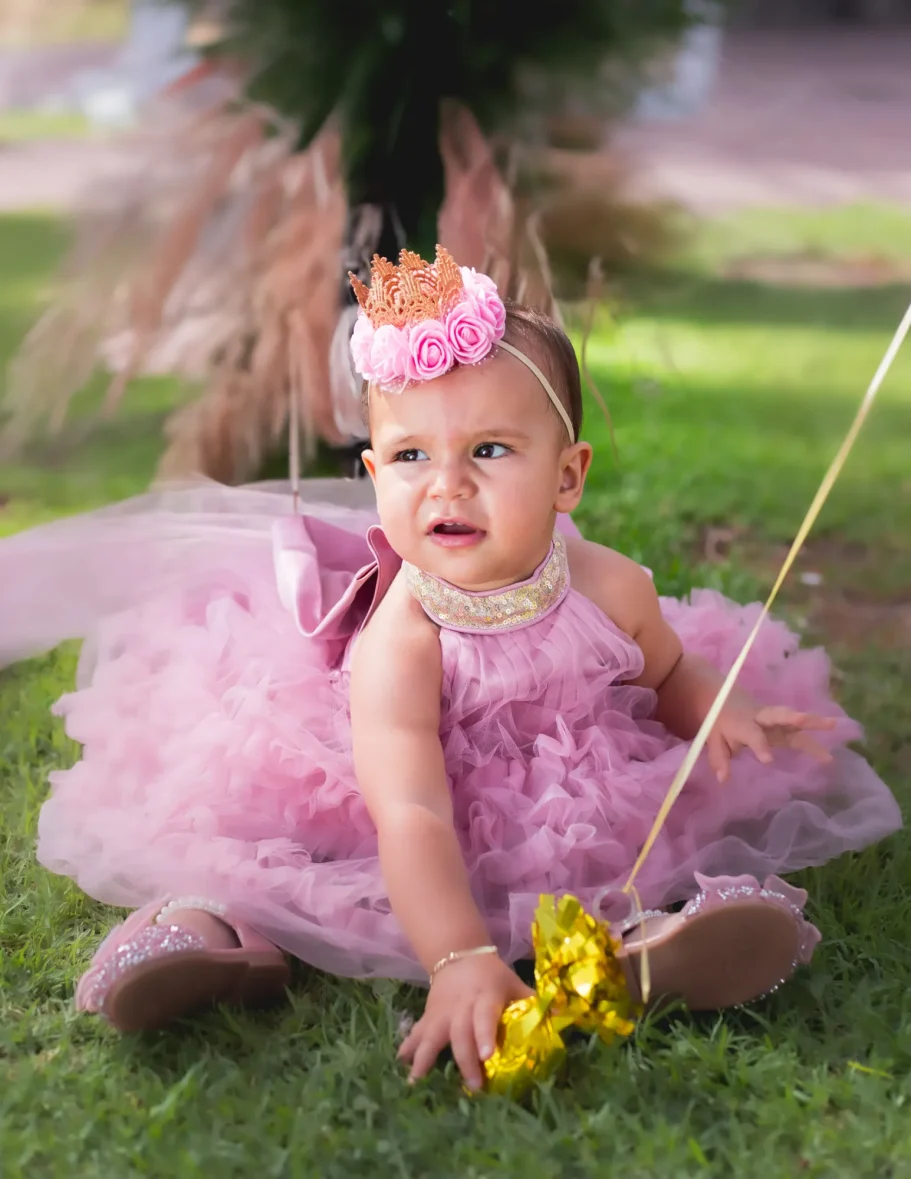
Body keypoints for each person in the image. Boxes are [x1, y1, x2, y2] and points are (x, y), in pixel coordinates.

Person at [2, 247, 900, 1093]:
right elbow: (412, 814)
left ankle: (646, 941)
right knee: (291, 853)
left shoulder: (611, 586)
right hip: (401, 796)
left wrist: (714, 709)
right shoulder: (403, 644)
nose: (446, 484)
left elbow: (666, 674)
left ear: (568, 476)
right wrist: (458, 958)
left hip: (564, 772)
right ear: (372, 472)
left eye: (489, 450)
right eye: (410, 456)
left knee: (632, 831)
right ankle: (210, 927)